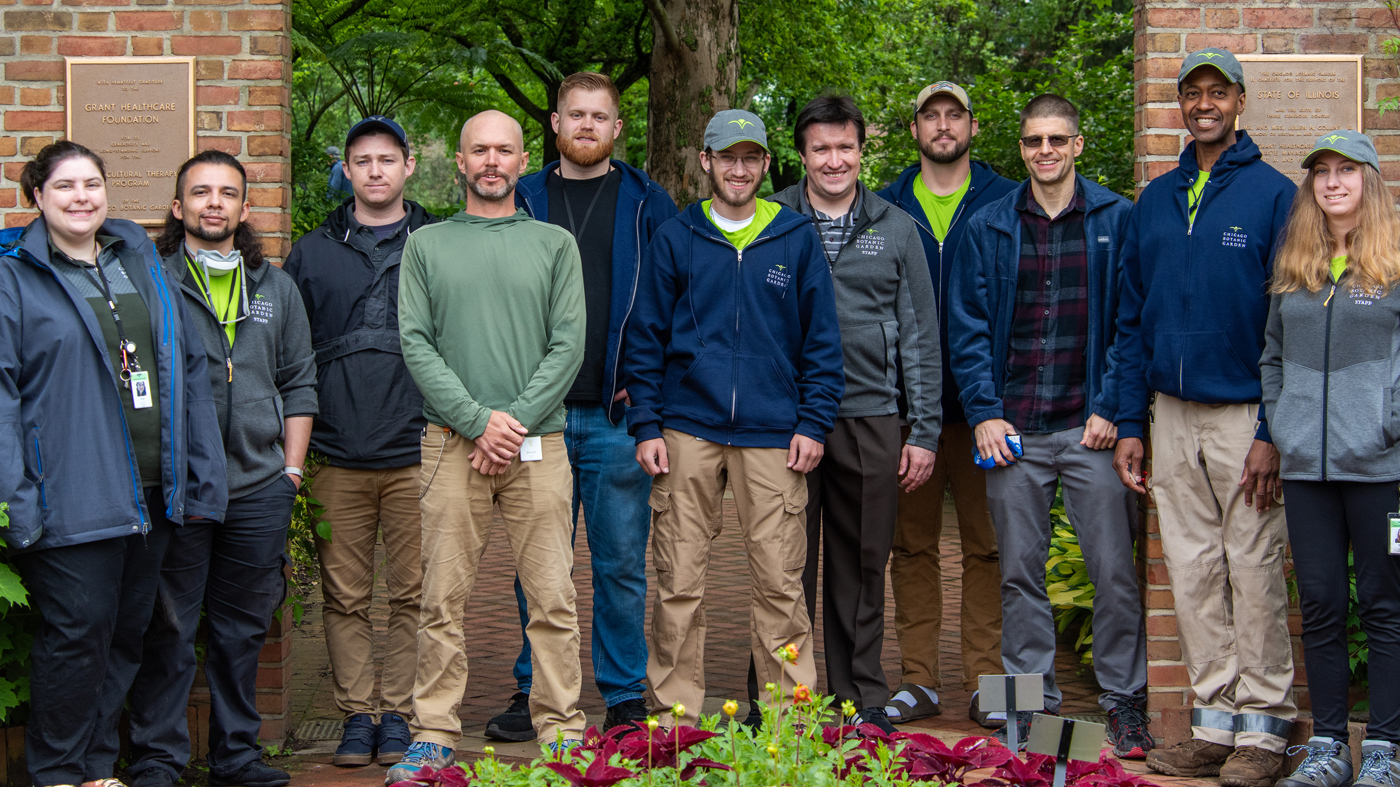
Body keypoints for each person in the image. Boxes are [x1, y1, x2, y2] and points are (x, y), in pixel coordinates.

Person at [0, 140, 226, 787]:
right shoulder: (16, 280)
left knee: (126, 636)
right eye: (65, 185)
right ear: (36, 197)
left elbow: (183, 368)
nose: (80, 196)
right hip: (68, 498)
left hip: (149, 494)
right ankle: (57, 771)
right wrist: (18, 497)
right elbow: (3, 393)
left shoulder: (136, 266)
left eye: (92, 183)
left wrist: (199, 475)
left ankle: (97, 766)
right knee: (75, 640)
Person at [1113, 48, 1298, 787]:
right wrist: (1132, 421)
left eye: (1217, 92)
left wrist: (1269, 430)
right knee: (1190, 570)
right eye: (1192, 94)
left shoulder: (1276, 196)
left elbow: (1288, 323)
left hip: (1243, 415)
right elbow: (1130, 320)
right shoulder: (1154, 202)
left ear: (1239, 102)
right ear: (1181, 107)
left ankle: (1266, 727)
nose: (1204, 104)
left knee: (1253, 568)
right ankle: (1214, 723)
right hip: (1170, 412)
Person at [625, 108, 844, 728]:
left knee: (780, 584)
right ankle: (673, 724)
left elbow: (823, 344)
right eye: (727, 158)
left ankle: (789, 725)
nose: (739, 169)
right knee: (678, 583)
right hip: (686, 428)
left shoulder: (795, 237)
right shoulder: (677, 235)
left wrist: (813, 422)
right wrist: (645, 424)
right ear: (707, 162)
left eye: (751, 158)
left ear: (767, 164)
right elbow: (644, 337)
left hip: (775, 434)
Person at [387, 110, 587, 783]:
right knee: (441, 597)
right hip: (450, 444)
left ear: (524, 157)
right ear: (460, 162)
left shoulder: (555, 244)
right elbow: (415, 341)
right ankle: (435, 729)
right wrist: (478, 421)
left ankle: (561, 727)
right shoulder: (426, 245)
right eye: (480, 150)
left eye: (504, 150)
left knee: (554, 595)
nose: (492, 161)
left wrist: (513, 423)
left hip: (542, 444)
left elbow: (568, 345)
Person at [947, 93, 1149, 757]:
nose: (1045, 151)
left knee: (1114, 570)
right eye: (1035, 140)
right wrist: (982, 411)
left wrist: (1113, 407)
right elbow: (968, 328)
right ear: (1022, 146)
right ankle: (1031, 710)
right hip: (1014, 433)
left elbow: (1131, 322)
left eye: (1058, 139)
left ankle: (1123, 703)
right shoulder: (989, 224)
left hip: (1088, 427)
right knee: (1019, 573)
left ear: (1078, 145)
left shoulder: (1117, 219)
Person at [486, 72, 678, 741]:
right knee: (536, 563)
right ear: (555, 123)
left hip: (616, 415)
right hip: (536, 415)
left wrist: (648, 388)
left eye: (601, 116)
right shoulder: (521, 197)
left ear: (617, 128)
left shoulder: (649, 203)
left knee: (620, 561)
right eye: (576, 115)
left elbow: (669, 305)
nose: (588, 125)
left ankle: (624, 695)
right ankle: (535, 689)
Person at [121, 150, 318, 787]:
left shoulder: (276, 288)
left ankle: (236, 755)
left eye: (227, 193)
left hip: (260, 487)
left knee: (241, 632)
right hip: (180, 486)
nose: (214, 203)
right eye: (200, 192)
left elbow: (299, 383)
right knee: (169, 628)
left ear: (243, 208)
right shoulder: (151, 283)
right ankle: (158, 758)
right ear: (178, 208)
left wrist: (290, 473)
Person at [766, 94, 940, 734]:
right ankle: (782, 697)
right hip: (785, 420)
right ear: (802, 154)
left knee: (862, 561)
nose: (833, 160)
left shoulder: (896, 227)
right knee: (783, 565)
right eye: (820, 149)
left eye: (845, 147)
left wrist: (921, 431)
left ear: (862, 151)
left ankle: (858, 692)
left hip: (871, 416)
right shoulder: (773, 218)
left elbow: (921, 334)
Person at [284, 115, 439, 766]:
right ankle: (355, 715)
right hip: (337, 450)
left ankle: (400, 713)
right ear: (345, 171)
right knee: (343, 594)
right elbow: (289, 354)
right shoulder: (311, 252)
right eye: (361, 160)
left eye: (386, 158)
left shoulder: (442, 244)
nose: (374, 170)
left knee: (412, 593)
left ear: (408, 166)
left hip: (417, 451)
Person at [876, 81, 1016, 726]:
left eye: (953, 114)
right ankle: (920, 681)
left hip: (987, 408)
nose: (941, 125)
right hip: (907, 411)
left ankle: (989, 681)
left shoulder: (1006, 201)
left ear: (972, 125)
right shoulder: (885, 206)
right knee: (913, 547)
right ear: (915, 130)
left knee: (990, 547)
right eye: (929, 115)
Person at [1264, 131, 1400, 787]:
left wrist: (1389, 426)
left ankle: (1384, 748)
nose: (1333, 182)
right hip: (1308, 473)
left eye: (1347, 171)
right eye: (1322, 172)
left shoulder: (1395, 269)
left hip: (1384, 474)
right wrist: (1286, 424)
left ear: (1369, 182)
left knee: (1384, 602)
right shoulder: (1297, 270)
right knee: (1319, 604)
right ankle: (1326, 747)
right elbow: (1270, 358)